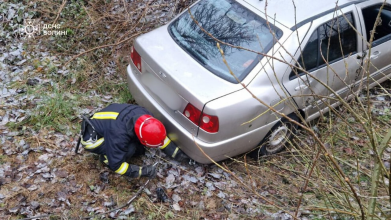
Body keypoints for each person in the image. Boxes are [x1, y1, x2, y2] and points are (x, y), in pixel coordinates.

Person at [75, 103, 187, 179]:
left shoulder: (147, 117)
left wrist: (177, 154)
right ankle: (106, 158)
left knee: (137, 148)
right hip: (93, 140)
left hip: (110, 123)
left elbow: (159, 137)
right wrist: (143, 172)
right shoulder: (118, 135)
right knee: (130, 149)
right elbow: (117, 166)